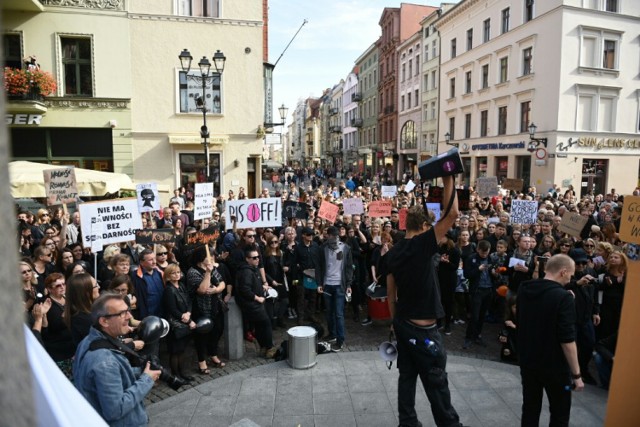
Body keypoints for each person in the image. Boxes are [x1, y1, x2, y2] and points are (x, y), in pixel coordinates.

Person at [386, 174, 463, 427]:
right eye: (430, 227)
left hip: (403, 323)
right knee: (436, 380)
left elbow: (390, 293)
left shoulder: (394, 252)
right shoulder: (422, 244)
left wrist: (394, 323)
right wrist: (449, 178)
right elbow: (452, 215)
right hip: (423, 330)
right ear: (422, 227)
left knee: (406, 377)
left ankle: (407, 423)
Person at [73, 293, 161, 426]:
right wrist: (146, 380)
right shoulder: (105, 361)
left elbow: (111, 376)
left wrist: (140, 372)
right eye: (122, 313)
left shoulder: (88, 341)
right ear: (104, 321)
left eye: (128, 311)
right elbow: (115, 410)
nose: (129, 317)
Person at [517, 254, 584, 427]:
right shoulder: (563, 297)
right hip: (556, 368)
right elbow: (567, 339)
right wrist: (576, 375)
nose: (571, 278)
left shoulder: (524, 288)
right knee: (560, 413)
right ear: (563, 272)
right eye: (570, 274)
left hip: (528, 362)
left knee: (530, 409)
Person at [235, 247, 278, 358]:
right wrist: (257, 298)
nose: (257, 259)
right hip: (252, 305)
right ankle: (269, 348)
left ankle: (264, 347)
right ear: (247, 259)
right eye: (254, 258)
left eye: (258, 257)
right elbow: (245, 289)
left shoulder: (252, 269)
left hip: (253, 304)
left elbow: (251, 285)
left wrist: (262, 287)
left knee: (259, 326)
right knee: (266, 324)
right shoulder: (246, 271)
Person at [316, 226, 353, 351]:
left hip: (340, 285)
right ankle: (332, 334)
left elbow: (348, 268)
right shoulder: (323, 248)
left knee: (338, 314)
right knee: (329, 312)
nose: (332, 238)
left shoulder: (346, 248)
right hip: (327, 285)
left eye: (335, 236)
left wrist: (348, 284)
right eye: (330, 236)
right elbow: (319, 267)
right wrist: (319, 283)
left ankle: (340, 340)